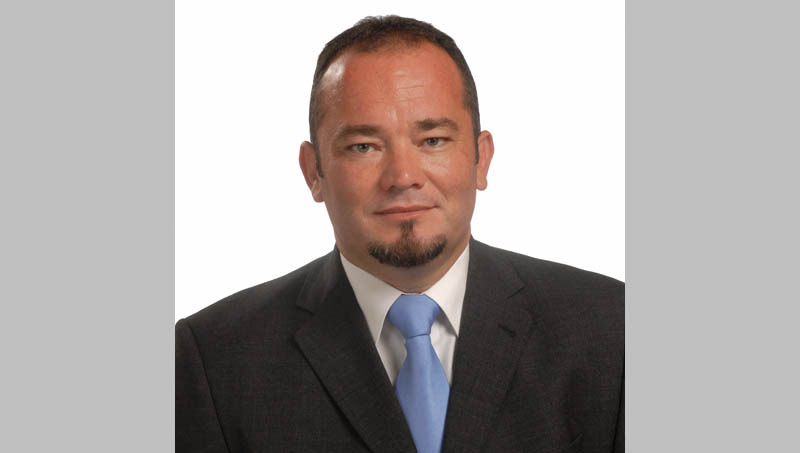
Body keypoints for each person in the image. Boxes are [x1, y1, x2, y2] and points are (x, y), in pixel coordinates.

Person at [176, 15, 623, 453]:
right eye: (363, 146)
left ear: (481, 158)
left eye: (433, 140)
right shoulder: (214, 361)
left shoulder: (613, 330)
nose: (403, 176)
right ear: (313, 172)